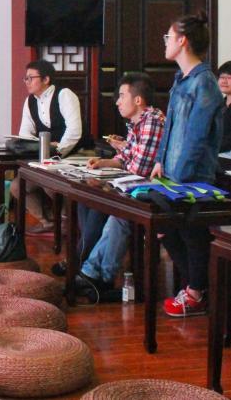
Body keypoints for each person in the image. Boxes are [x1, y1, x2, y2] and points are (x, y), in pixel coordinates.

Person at [150, 10, 224, 317]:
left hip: (194, 174)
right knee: (166, 229)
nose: (165, 42)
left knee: (192, 233)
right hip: (171, 172)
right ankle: (197, 288)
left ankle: (196, 292)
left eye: (168, 37)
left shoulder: (204, 82)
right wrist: (159, 160)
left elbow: (196, 137)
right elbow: (170, 128)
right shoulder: (181, 79)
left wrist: (179, 175)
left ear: (182, 41)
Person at [72, 72, 165, 302]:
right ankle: (91, 271)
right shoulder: (137, 122)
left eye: (122, 96)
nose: (117, 102)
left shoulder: (152, 121)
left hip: (153, 190)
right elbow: (126, 158)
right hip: (135, 186)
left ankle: (93, 273)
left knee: (117, 216)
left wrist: (122, 159)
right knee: (88, 202)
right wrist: (103, 163)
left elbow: (140, 168)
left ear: (138, 100)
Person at [9, 59, 82, 234]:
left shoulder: (64, 95)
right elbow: (25, 134)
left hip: (73, 153)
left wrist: (58, 150)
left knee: (51, 184)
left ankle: (67, 220)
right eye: (25, 78)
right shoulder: (30, 101)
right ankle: (48, 221)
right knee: (17, 187)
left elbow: (74, 131)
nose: (27, 82)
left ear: (46, 79)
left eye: (31, 78)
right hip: (46, 156)